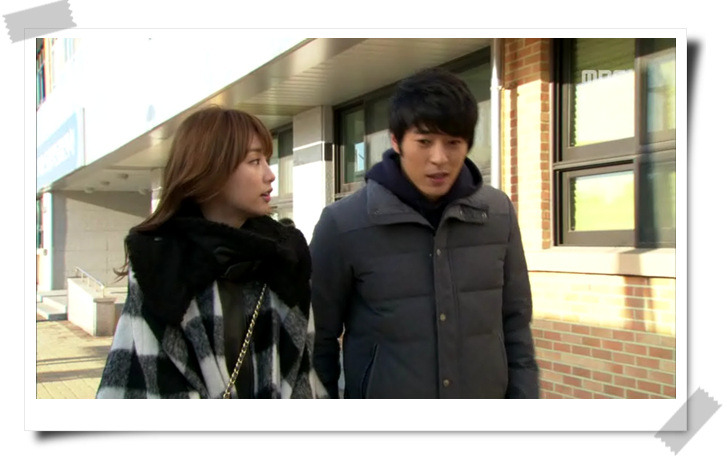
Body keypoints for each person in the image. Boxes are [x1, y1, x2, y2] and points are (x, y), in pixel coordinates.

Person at [310, 68, 539, 399]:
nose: (439, 158)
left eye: (453, 142)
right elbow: (318, 340)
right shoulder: (343, 223)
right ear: (396, 140)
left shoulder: (497, 213)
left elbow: (516, 324)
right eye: (424, 142)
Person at [97, 106, 326, 399]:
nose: (270, 175)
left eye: (267, 161)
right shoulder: (161, 264)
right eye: (255, 161)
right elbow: (142, 380)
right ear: (212, 170)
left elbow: (303, 376)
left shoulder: (285, 259)